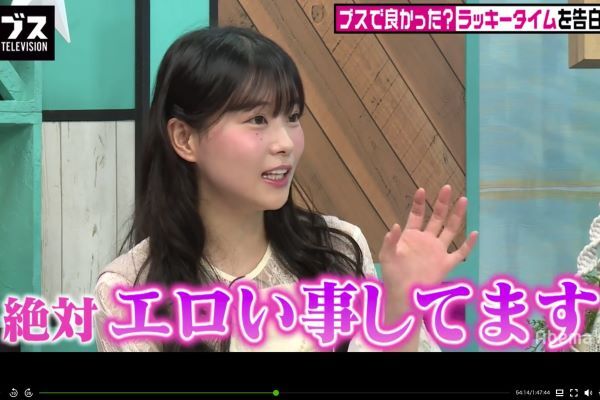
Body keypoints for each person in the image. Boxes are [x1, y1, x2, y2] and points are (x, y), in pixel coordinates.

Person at [94, 26, 477, 352]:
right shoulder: (128, 291)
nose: (286, 143)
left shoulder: (339, 248)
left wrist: (401, 304)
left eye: (292, 117)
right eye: (258, 119)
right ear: (184, 138)